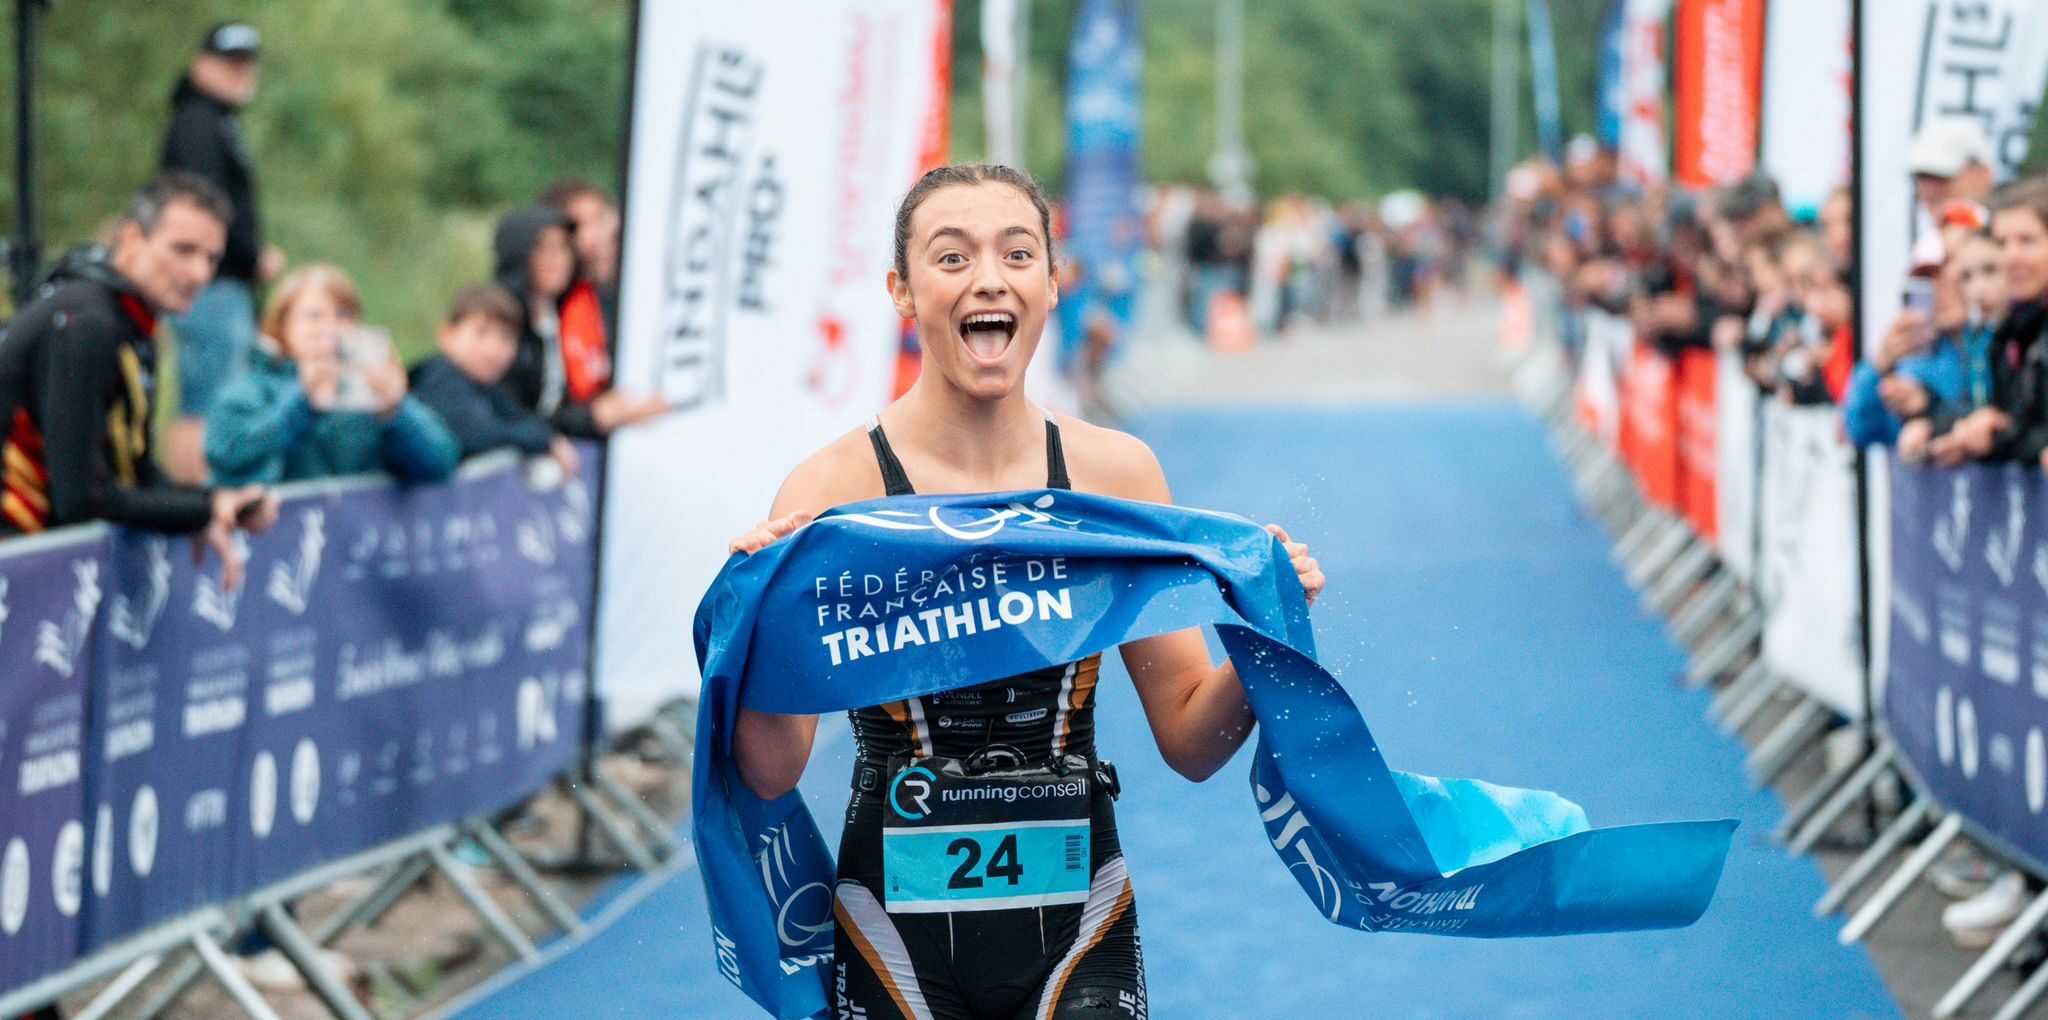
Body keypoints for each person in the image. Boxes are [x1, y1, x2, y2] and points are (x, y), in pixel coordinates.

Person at [723, 164, 1324, 1019]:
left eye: (1015, 252)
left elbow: (1192, 739)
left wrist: (1269, 638)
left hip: (1080, 920)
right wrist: (756, 632)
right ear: (902, 291)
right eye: (951, 257)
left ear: (1053, 281)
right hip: (893, 928)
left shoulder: (1114, 476)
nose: (988, 278)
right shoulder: (832, 492)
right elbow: (772, 769)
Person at [0, 172, 277, 587]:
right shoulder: (86, 321)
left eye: (212, 259)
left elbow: (133, 469)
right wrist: (200, 511)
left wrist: (214, 503)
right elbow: (84, 499)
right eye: (183, 250)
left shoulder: (131, 320)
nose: (200, 273)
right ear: (131, 240)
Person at [158, 22, 284, 483]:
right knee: (208, 402)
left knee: (213, 397)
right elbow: (202, 208)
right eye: (230, 63)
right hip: (209, 284)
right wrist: (250, 258)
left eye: (247, 64)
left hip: (224, 282)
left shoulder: (216, 122)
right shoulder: (197, 123)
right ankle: (199, 505)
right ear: (201, 65)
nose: (241, 73)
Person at [204, 265, 459, 485]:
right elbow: (230, 464)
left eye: (343, 315)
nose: (329, 328)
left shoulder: (369, 393)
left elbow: (440, 466)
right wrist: (301, 404)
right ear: (283, 325)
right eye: (314, 316)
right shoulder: (248, 391)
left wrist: (398, 413)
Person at [491, 205, 663, 439]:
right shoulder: (500, 320)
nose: (558, 259)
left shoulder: (568, 313)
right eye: (544, 249)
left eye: (564, 248)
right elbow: (511, 414)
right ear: (520, 252)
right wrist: (591, 418)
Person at [411, 283, 579, 476]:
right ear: (448, 333)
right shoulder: (439, 377)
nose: (494, 349)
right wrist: (546, 442)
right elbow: (479, 435)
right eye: (482, 333)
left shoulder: (486, 387)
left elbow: (522, 418)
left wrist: (549, 438)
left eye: (506, 338)